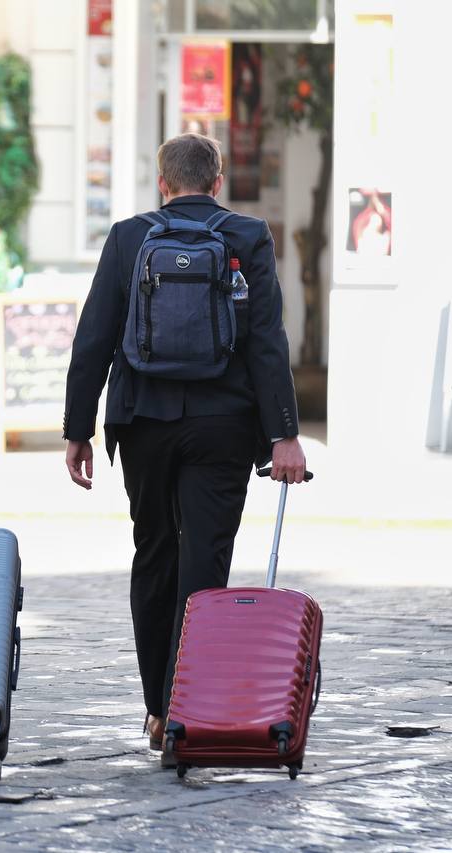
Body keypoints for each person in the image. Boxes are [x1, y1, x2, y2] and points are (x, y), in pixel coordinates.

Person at [61, 132, 308, 758]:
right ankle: (186, 713)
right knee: (205, 564)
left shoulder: (128, 237)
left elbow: (93, 336)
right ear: (217, 183)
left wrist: (78, 429)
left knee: (153, 553)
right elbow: (266, 340)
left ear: (163, 183)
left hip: (144, 421)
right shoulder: (247, 236)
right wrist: (284, 435)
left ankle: (156, 708)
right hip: (224, 424)